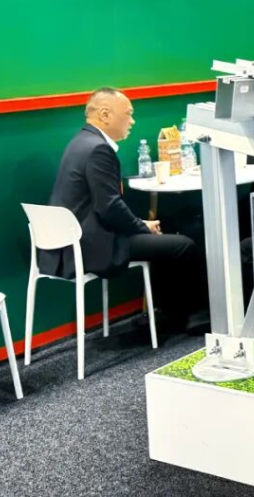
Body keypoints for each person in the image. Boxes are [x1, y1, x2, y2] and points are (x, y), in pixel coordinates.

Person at [42, 88, 203, 332]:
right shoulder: (98, 149)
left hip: (70, 244)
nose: (132, 121)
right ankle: (192, 315)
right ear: (105, 115)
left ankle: (167, 312)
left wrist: (141, 225)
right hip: (92, 246)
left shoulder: (80, 141)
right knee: (184, 245)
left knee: (166, 229)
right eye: (128, 114)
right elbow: (109, 207)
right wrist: (141, 226)